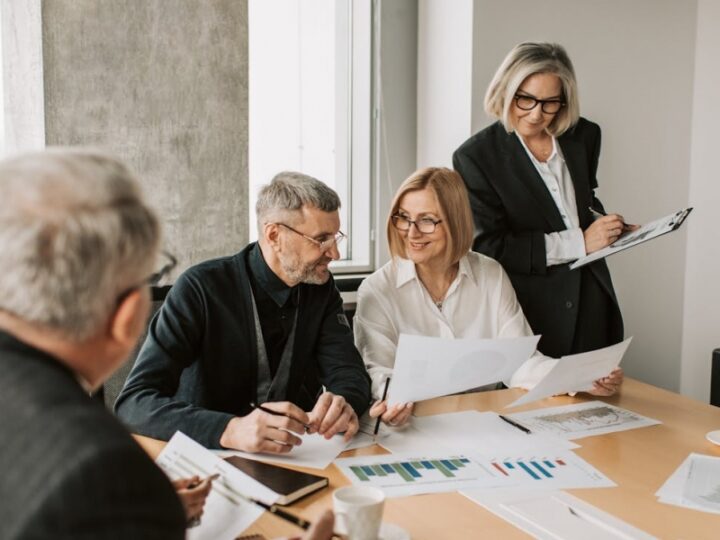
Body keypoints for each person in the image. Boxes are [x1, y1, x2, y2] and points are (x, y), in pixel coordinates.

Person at [0, 149, 338, 540]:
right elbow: (135, 405)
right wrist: (145, 510)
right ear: (128, 315)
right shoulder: (107, 475)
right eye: (155, 272)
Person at [115, 171, 371, 453]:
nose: (334, 253)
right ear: (274, 235)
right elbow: (134, 402)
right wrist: (229, 430)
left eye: (336, 237)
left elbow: (348, 372)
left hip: (297, 456)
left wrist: (345, 402)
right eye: (322, 239)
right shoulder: (200, 288)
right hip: (209, 459)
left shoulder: (320, 288)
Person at [354, 167, 622, 427]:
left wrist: (580, 377)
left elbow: (522, 361)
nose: (411, 233)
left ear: (456, 222)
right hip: (414, 425)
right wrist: (395, 399)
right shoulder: (377, 290)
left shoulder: (490, 274)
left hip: (483, 422)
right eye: (403, 217)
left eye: (426, 220)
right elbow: (378, 372)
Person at [453, 42, 636, 361]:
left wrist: (605, 227)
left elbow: (580, 203)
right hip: (532, 308)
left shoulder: (585, 135)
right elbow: (490, 247)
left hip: (592, 297)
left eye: (550, 103)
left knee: (600, 402)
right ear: (505, 90)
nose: (536, 114)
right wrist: (580, 242)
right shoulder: (476, 157)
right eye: (525, 99)